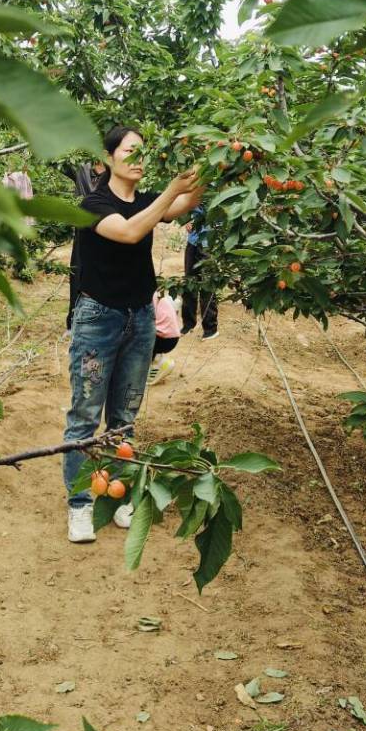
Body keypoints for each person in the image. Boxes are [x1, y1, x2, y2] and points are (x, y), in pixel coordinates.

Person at [64, 126, 204, 543]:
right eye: (130, 151)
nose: (139, 158)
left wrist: (212, 165)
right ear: (107, 158)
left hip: (139, 318)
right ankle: (80, 505)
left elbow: (185, 201)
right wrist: (168, 193)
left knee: (124, 418)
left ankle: (117, 496)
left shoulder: (145, 201)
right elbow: (129, 231)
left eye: (144, 151)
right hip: (98, 320)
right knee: (85, 418)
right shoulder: (93, 204)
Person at [63, 159, 106, 329]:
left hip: (107, 230)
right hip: (83, 230)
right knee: (77, 273)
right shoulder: (82, 168)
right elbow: (58, 161)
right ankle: (73, 321)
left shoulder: (114, 173)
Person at [182, 205, 219, 339]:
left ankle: (210, 328)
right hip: (193, 241)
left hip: (208, 244)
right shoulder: (195, 189)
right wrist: (187, 220)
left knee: (207, 286)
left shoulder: (217, 189)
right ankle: (188, 324)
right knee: (189, 282)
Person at [147, 290, 181, 385]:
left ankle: (160, 363)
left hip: (163, 338)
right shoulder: (153, 293)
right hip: (171, 336)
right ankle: (158, 361)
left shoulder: (144, 295)